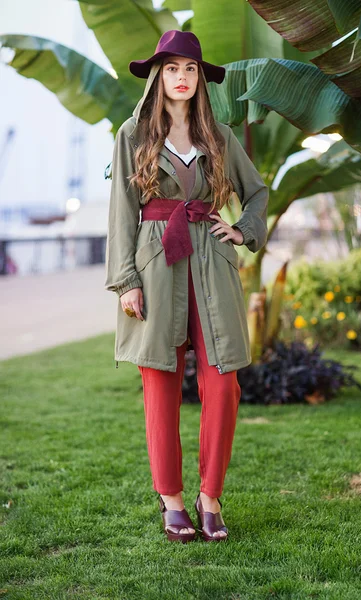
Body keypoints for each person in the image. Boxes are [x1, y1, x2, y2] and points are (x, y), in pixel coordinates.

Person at [105, 30, 268, 543]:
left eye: (191, 69)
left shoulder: (218, 136)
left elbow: (256, 191)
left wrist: (241, 230)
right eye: (173, 68)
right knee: (160, 384)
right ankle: (172, 500)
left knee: (223, 382)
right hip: (155, 265)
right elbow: (120, 214)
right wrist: (125, 281)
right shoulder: (133, 134)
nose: (182, 77)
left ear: (200, 79)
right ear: (159, 76)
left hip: (213, 264)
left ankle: (210, 496)